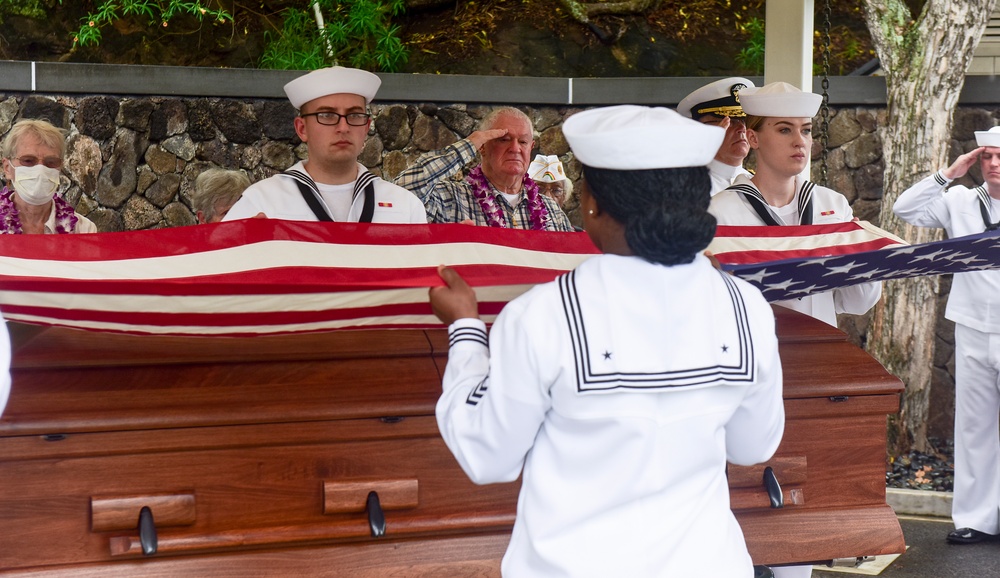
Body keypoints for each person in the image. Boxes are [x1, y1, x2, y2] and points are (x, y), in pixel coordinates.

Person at [429, 105, 784, 577]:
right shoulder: (747, 309)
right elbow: (752, 446)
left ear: (591, 204)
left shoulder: (543, 315)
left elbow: (487, 454)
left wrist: (466, 330)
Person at [893, 126, 1000, 545]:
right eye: (987, 156)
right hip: (973, 327)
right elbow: (905, 209)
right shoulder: (960, 201)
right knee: (974, 427)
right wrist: (948, 173)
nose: (994, 164)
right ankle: (975, 518)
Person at [709, 82, 882, 329]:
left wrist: (864, 255)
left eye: (806, 130)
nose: (799, 141)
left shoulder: (832, 204)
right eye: (784, 130)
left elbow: (856, 303)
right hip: (754, 353)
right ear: (753, 138)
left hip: (819, 352)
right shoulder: (720, 212)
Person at [224, 66, 426, 224]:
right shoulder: (262, 202)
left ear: (366, 127)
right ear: (302, 129)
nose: (343, 127)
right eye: (327, 115)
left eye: (354, 115)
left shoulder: (405, 207)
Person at [394, 107, 574, 231]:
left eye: (523, 142)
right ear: (482, 146)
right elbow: (402, 192)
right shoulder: (449, 197)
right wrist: (467, 146)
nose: (515, 148)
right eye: (503, 139)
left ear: (531, 147)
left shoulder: (551, 210)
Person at [0, 119, 96, 234]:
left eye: (51, 162)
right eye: (28, 160)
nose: (41, 170)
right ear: (7, 168)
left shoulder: (83, 230)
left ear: (60, 168)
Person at [677, 77, 755, 195]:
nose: (741, 129)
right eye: (729, 122)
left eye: (744, 121)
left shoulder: (760, 185)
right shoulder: (686, 187)